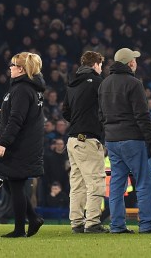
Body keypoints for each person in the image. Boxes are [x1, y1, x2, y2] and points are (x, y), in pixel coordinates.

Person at [98, 47, 151, 234]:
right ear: (130, 63)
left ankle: (117, 226)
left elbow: (100, 114)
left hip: (112, 140)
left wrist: (109, 132)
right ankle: (146, 224)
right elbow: (142, 116)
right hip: (134, 140)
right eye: (134, 60)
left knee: (117, 185)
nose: (136, 62)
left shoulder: (104, 84)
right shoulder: (134, 83)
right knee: (144, 182)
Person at [0, 52, 46, 238]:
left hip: (20, 145)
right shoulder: (29, 88)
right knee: (11, 184)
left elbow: (17, 119)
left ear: (21, 69)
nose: (9, 68)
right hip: (25, 143)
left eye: (12, 65)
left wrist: (3, 142)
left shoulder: (21, 89)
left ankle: (20, 229)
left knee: (15, 184)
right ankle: (32, 218)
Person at [62, 50, 106, 234]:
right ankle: (93, 222)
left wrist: (79, 119)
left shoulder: (72, 84)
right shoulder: (98, 82)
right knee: (95, 181)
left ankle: (77, 222)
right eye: (101, 66)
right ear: (96, 64)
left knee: (77, 184)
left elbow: (66, 112)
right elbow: (105, 109)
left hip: (73, 140)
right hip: (87, 139)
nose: (101, 69)